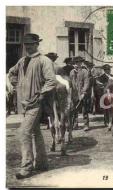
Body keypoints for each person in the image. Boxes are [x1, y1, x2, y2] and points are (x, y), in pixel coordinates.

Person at [8, 33, 57, 179]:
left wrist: (41, 94)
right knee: (35, 132)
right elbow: (12, 73)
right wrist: (18, 85)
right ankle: (42, 163)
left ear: (37, 44)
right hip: (25, 104)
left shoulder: (44, 60)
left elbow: (51, 81)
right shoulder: (22, 60)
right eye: (26, 44)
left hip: (36, 104)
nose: (28, 46)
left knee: (24, 132)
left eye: (31, 44)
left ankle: (26, 167)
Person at [69, 56, 91, 131]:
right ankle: (75, 124)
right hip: (74, 94)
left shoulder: (85, 71)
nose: (77, 64)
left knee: (84, 109)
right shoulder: (71, 72)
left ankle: (86, 125)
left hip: (82, 93)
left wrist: (84, 92)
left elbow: (86, 82)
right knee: (74, 109)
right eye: (75, 63)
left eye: (78, 62)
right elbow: (70, 83)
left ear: (81, 63)